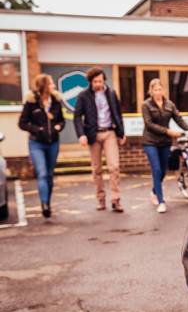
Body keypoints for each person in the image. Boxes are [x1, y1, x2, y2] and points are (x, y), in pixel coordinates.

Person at [73, 67, 126, 212]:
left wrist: (121, 133)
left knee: (114, 167)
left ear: (104, 80)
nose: (98, 84)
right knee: (97, 169)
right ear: (90, 82)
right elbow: (77, 116)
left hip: (110, 133)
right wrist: (81, 134)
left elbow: (118, 114)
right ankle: (101, 199)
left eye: (100, 81)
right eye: (95, 81)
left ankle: (116, 199)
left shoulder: (111, 93)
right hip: (93, 135)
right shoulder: (83, 96)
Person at [142, 78, 188, 213]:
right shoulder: (146, 105)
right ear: (151, 91)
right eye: (155, 90)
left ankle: (154, 191)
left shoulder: (169, 104)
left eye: (160, 89)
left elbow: (179, 120)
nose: (158, 92)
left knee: (163, 170)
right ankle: (161, 201)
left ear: (163, 90)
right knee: (156, 170)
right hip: (150, 142)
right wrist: (168, 131)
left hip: (165, 142)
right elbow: (149, 124)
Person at [18, 74, 65, 218]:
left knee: (49, 175)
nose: (54, 86)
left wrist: (58, 126)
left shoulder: (56, 101)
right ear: (44, 86)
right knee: (42, 173)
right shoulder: (31, 102)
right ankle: (44, 204)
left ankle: (48, 202)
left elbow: (62, 121)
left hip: (53, 143)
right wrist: (38, 130)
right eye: (51, 83)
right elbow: (22, 123)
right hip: (36, 143)